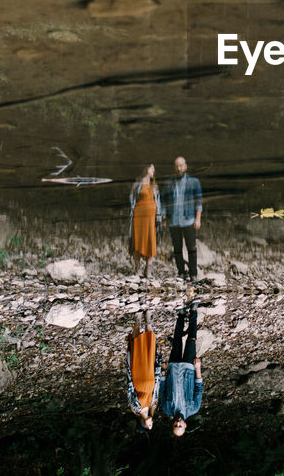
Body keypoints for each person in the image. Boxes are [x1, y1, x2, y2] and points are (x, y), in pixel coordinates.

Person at [161, 301, 203, 436]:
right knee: (191, 339)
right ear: (185, 425)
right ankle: (194, 311)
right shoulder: (194, 408)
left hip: (173, 369)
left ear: (172, 423)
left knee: (177, 340)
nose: (178, 422)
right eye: (180, 425)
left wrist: (163, 372)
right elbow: (198, 388)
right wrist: (198, 368)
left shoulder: (167, 409)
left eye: (175, 425)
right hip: (189, 370)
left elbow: (162, 389)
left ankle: (180, 314)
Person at [166, 156, 203, 281]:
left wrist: (198, 219)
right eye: (177, 166)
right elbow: (164, 201)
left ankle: (193, 274)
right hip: (174, 221)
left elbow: (199, 202)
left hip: (189, 219)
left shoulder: (193, 182)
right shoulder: (168, 183)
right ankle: (181, 272)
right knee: (177, 249)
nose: (179, 168)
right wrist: (164, 217)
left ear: (186, 167)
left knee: (191, 248)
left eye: (181, 165)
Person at [125, 310, 162, 432]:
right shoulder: (153, 406)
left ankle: (138, 319)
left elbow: (130, 391)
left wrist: (129, 374)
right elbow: (157, 387)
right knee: (150, 347)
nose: (151, 424)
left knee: (136, 348)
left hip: (138, 376)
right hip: (151, 374)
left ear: (143, 424)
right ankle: (148, 319)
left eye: (149, 426)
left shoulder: (136, 409)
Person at [129, 164, 161, 278]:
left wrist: (159, 215)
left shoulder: (154, 185)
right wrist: (132, 212)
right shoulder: (138, 184)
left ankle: (148, 270)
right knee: (137, 240)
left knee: (150, 240)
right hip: (139, 215)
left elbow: (158, 201)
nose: (154, 170)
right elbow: (132, 198)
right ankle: (137, 269)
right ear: (147, 169)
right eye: (152, 168)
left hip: (151, 217)